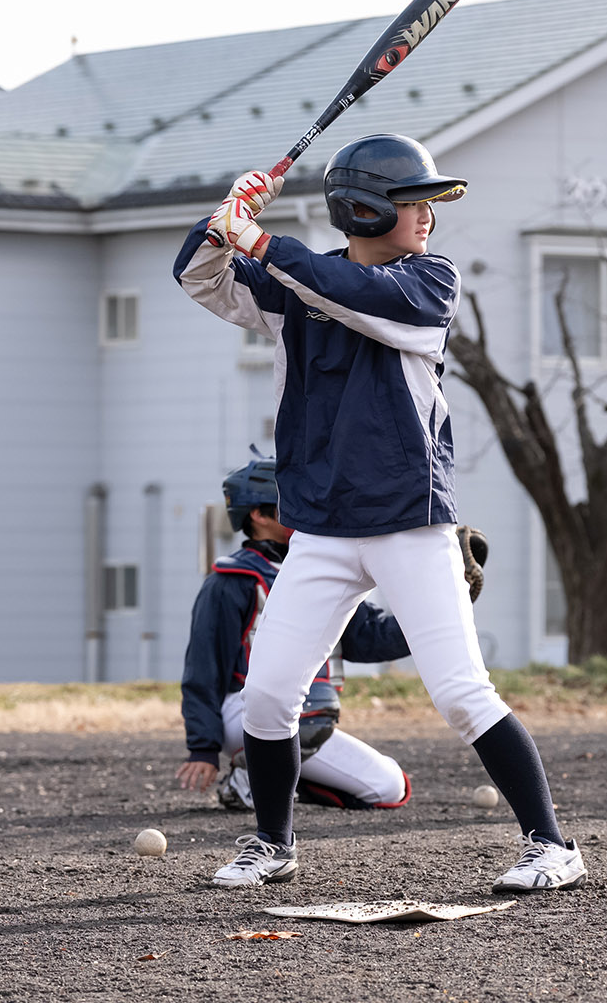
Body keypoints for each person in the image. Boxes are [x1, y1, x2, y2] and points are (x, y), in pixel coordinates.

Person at [173, 132, 585, 892]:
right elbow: (203, 280)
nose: (426, 215)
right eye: (411, 202)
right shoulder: (299, 286)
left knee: (461, 693)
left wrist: (264, 241)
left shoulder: (428, 282)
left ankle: (552, 845)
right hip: (323, 525)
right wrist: (221, 219)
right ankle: (273, 843)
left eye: (427, 203)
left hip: (407, 519)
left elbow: (358, 301)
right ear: (362, 212)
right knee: (266, 695)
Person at [176, 455, 420, 814]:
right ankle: (252, 779)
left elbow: (369, 637)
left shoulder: (322, 571)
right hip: (242, 711)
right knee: (303, 697)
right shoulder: (231, 581)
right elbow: (203, 669)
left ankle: (262, 781)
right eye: (289, 499)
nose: (306, 506)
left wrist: (449, 599)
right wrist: (202, 747)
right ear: (258, 515)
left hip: (306, 717)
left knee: (389, 786)